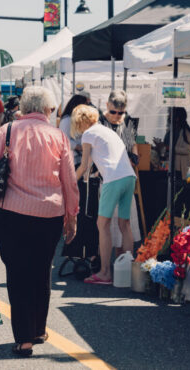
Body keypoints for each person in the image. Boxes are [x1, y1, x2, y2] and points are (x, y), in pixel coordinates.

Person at [0, 86, 79, 357]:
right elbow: (69, 180)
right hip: (49, 215)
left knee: (17, 273)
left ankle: (24, 339)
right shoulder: (58, 137)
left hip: (11, 214)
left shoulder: (6, 131)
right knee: (42, 271)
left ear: (23, 107)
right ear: (48, 110)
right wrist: (72, 216)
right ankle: (39, 329)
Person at [72, 105, 136, 285]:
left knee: (102, 224)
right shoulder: (107, 131)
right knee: (125, 224)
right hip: (129, 177)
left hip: (113, 179)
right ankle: (128, 271)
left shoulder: (88, 134)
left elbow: (84, 165)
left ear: (80, 121)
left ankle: (105, 272)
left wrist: (70, 182)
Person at [99, 90, 142, 254]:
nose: (117, 115)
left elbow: (133, 145)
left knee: (125, 222)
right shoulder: (99, 122)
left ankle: (124, 262)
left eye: (121, 112)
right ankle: (107, 265)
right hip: (107, 177)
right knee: (106, 223)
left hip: (125, 176)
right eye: (113, 112)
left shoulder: (128, 121)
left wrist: (134, 159)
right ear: (107, 105)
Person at [59, 94, 90, 166]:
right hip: (72, 160)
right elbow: (64, 140)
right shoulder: (66, 120)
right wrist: (78, 147)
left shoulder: (78, 120)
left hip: (81, 158)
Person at [164, 107, 190, 179]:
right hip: (173, 165)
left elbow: (187, 150)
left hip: (181, 167)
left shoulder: (185, 131)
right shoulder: (172, 129)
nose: (169, 117)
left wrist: (171, 149)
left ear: (178, 118)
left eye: (171, 115)